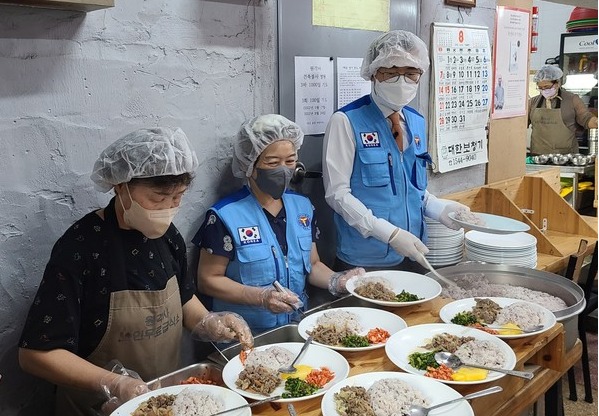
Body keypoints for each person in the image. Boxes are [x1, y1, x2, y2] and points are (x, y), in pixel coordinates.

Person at [18, 127, 254, 415]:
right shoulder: (80, 248)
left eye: (178, 197)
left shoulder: (168, 237)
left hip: (161, 403)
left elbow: (182, 298)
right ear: (121, 186)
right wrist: (113, 383)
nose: (168, 209)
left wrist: (209, 321)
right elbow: (35, 354)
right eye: (157, 198)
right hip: (96, 407)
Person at [193, 114, 364, 334]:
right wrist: (261, 297)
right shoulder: (225, 216)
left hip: (296, 325)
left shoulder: (302, 207)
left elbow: (312, 265)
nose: (283, 170)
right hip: (245, 333)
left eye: (290, 161)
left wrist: (337, 281)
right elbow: (208, 280)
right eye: (272, 163)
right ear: (250, 165)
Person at [322, 30, 470, 274]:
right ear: (373, 74)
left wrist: (439, 208)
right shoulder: (346, 121)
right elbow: (337, 195)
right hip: (364, 259)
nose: (402, 81)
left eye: (411, 73)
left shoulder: (416, 121)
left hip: (414, 251)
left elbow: (413, 189)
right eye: (391, 73)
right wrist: (389, 234)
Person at [528, 65, 598, 155]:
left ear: (557, 83)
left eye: (547, 87)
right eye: (541, 88)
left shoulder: (572, 99)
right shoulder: (533, 102)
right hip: (538, 156)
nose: (544, 90)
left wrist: (596, 122)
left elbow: (586, 118)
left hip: (566, 156)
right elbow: (521, 124)